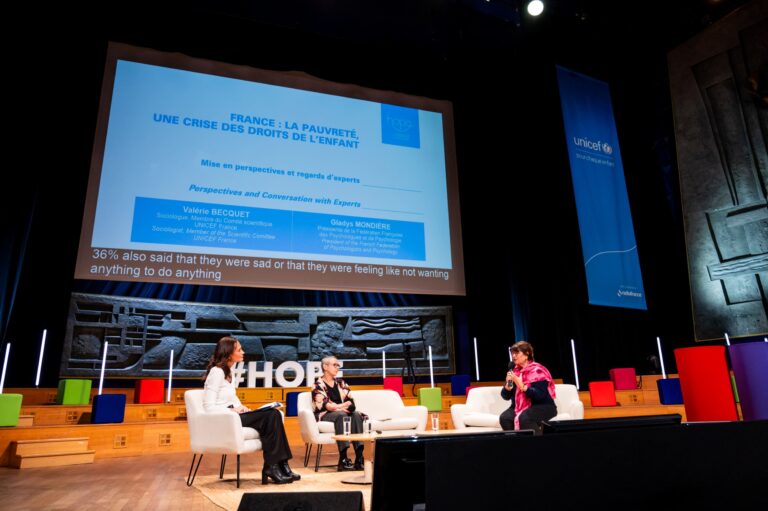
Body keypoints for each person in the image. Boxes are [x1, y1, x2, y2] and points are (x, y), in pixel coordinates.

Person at [203, 336, 299, 484]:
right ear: (229, 353)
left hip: (235, 415)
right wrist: (232, 410)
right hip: (226, 419)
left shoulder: (230, 371)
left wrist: (242, 407)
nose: (243, 352)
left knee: (275, 413)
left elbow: (232, 399)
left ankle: (280, 465)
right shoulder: (216, 372)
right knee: (272, 415)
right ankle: (273, 466)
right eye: (239, 349)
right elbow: (208, 407)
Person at [311, 356, 365, 471]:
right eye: (334, 365)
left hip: (341, 413)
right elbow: (326, 406)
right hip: (326, 415)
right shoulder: (317, 385)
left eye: (338, 365)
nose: (337, 367)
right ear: (325, 367)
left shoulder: (341, 383)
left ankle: (359, 457)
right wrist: (342, 406)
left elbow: (351, 402)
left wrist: (340, 406)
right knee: (342, 415)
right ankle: (343, 458)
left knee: (355, 414)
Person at [499, 341, 557, 434]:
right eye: (512, 353)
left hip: (543, 406)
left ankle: (540, 446)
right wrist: (508, 385)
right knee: (505, 418)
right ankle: (518, 445)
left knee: (525, 418)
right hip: (519, 408)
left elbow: (540, 395)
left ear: (527, 354)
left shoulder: (538, 371)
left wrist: (522, 386)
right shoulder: (514, 371)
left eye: (517, 353)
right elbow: (505, 397)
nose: (513, 356)